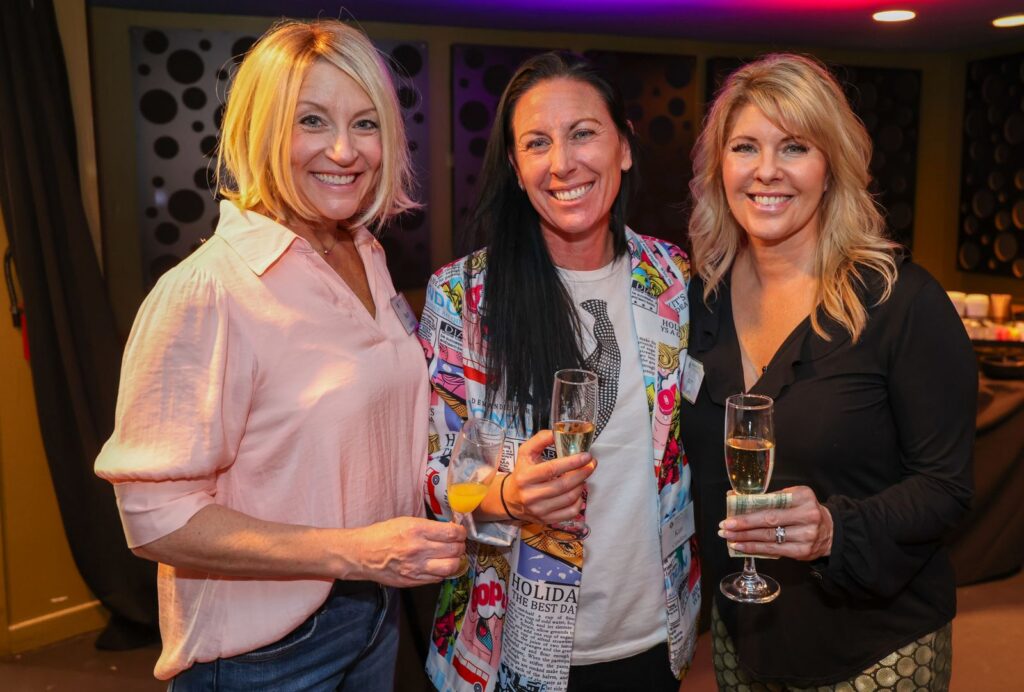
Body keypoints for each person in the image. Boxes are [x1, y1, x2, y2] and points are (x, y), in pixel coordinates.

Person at [94, 19, 466, 690]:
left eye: (365, 124)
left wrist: (491, 488)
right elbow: (155, 521)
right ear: (261, 131)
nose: (344, 150)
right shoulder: (208, 291)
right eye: (312, 120)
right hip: (267, 653)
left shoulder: (365, 253)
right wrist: (351, 552)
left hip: (374, 611)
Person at [681, 53, 976, 690]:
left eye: (794, 147)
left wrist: (834, 531)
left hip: (875, 652)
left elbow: (945, 486)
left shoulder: (902, 303)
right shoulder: (699, 301)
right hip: (741, 641)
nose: (766, 170)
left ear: (831, 166)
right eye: (744, 147)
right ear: (719, 168)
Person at [418, 51, 700, 692]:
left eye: (583, 133)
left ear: (623, 148)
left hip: (654, 635)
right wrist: (507, 497)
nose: (562, 163)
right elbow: (430, 475)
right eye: (537, 143)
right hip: (505, 647)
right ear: (516, 169)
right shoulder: (462, 297)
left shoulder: (671, 278)